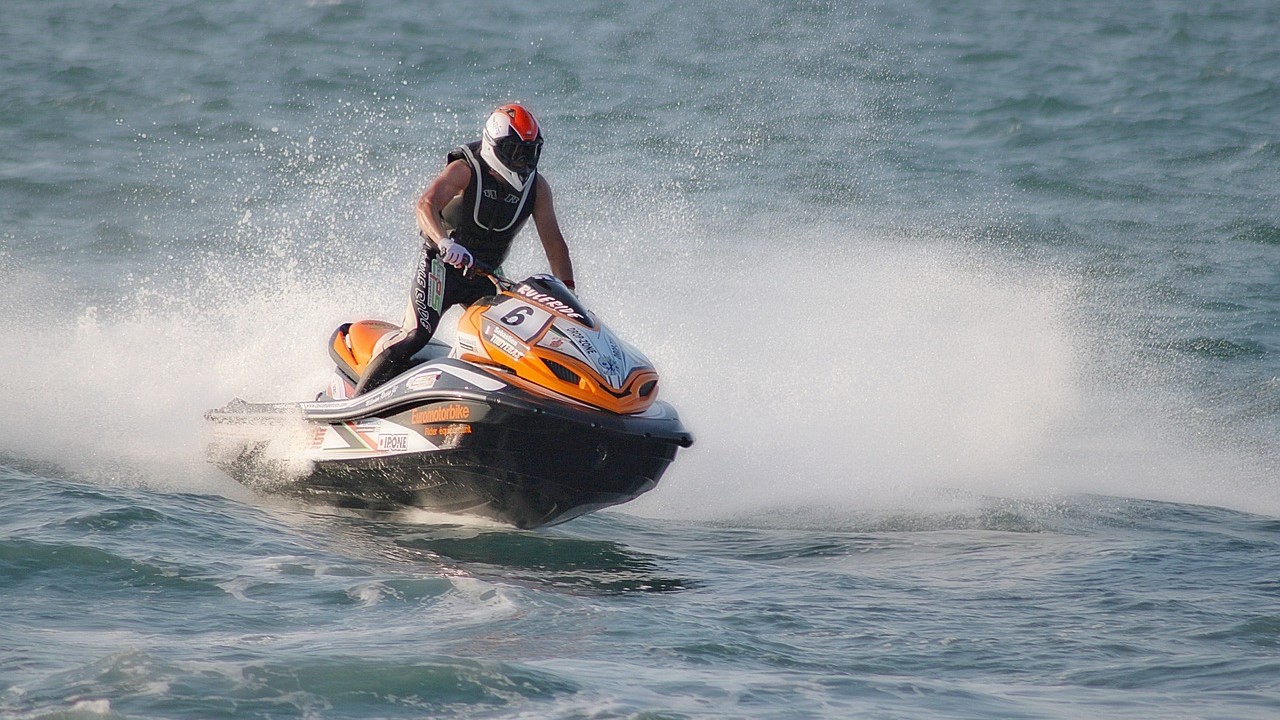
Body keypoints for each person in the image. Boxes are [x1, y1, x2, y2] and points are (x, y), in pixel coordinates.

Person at [354, 103, 576, 395]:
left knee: (511, 345)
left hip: (486, 275)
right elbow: (426, 205)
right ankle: (354, 410)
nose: (523, 162)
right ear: (494, 146)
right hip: (442, 268)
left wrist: (569, 298)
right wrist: (445, 243)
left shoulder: (537, 189)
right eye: (515, 152)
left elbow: (555, 244)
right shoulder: (466, 169)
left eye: (530, 153)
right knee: (416, 335)